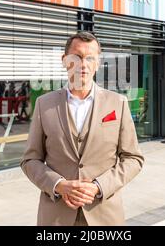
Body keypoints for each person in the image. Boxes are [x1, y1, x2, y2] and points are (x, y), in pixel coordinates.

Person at [20, 32, 144, 226]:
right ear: (64, 60)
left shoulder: (117, 103)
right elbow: (30, 160)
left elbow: (133, 159)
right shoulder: (44, 104)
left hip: (104, 216)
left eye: (89, 58)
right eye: (76, 57)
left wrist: (98, 187)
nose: (82, 64)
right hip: (56, 217)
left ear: (98, 63)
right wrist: (58, 185)